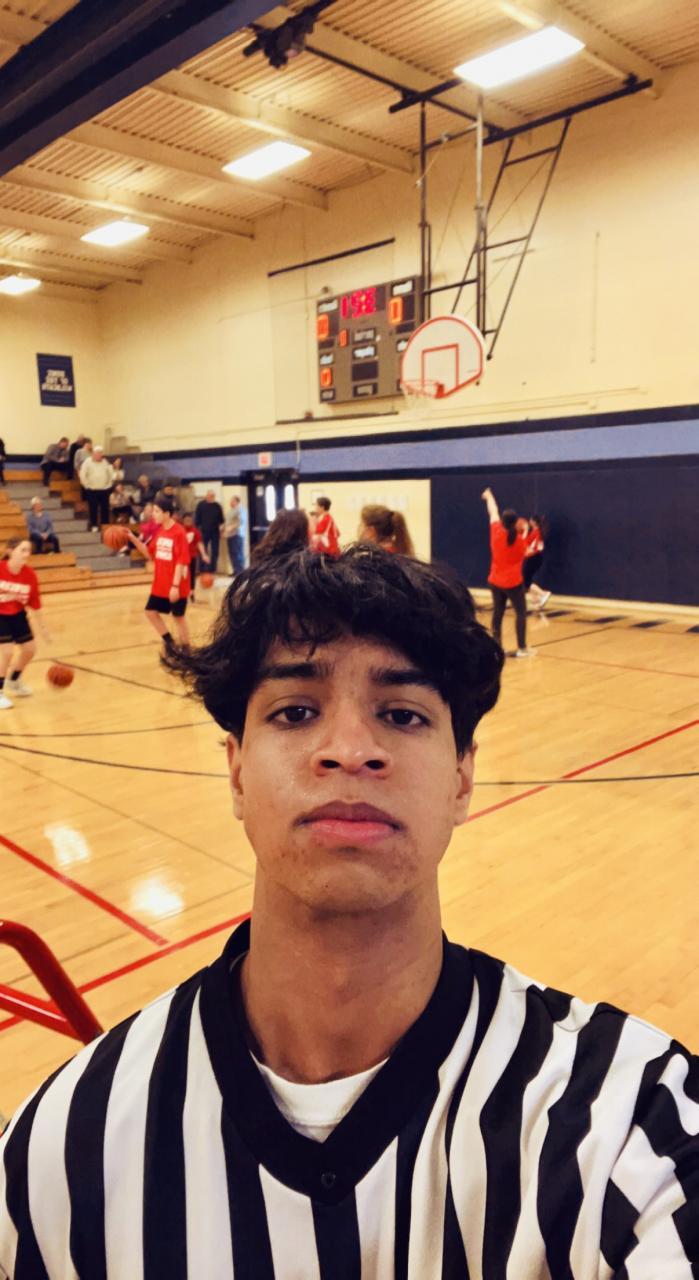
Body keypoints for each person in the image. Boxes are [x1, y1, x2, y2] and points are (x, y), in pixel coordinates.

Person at [2, 546, 697, 1276]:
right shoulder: (57, 1150)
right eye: (296, 711)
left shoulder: (631, 1123)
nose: (349, 750)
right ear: (236, 771)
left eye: (401, 714)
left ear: (462, 779)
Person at [128, 496, 191, 648]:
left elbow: (181, 561)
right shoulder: (160, 531)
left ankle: (186, 650)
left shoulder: (179, 532)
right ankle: (171, 643)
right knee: (150, 612)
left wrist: (175, 586)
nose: (153, 514)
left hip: (176, 584)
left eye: (157, 511)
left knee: (178, 617)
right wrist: (133, 538)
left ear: (167, 514)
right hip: (161, 584)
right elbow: (150, 554)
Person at [481, 486, 532, 658]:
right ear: (516, 523)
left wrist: (489, 496)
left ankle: (497, 649)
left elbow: (493, 511)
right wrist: (525, 531)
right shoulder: (519, 541)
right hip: (513, 583)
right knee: (521, 613)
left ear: (502, 521)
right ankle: (522, 648)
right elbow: (526, 552)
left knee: (497, 613)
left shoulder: (496, 531)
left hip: (495, 581)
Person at [0, 538, 50, 709]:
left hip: (17, 614)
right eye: (22, 550)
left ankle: (13, 681)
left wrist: (43, 628)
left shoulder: (29, 575)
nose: (26, 554)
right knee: (7, 652)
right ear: (10, 551)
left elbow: (35, 603)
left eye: (28, 550)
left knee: (30, 649)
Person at [79, 445, 118, 532]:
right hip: (92, 490)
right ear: (93, 454)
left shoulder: (105, 462)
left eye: (100, 454)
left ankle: (105, 525)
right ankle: (94, 525)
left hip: (104, 490)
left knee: (105, 509)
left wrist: (109, 484)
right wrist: (86, 486)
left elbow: (111, 473)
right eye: (97, 454)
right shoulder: (87, 462)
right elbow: (82, 474)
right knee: (93, 508)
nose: (99, 456)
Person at [523, 513, 552, 611]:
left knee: (526, 581)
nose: (529, 521)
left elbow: (525, 543)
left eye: (530, 520)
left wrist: (525, 531)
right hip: (537, 558)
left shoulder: (535, 533)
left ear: (533, 522)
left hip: (534, 558)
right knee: (528, 579)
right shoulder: (538, 531)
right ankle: (536, 601)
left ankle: (543, 594)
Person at [181, 510, 210, 601]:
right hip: (181, 558)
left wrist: (204, 555)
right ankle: (182, 593)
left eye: (190, 520)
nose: (188, 522)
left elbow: (199, 543)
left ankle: (191, 592)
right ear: (183, 521)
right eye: (186, 520)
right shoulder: (180, 530)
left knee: (192, 575)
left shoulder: (195, 531)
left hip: (192, 557)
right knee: (183, 576)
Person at [194, 489, 225, 575]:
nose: (211, 497)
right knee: (203, 550)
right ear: (206, 496)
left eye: (213, 496)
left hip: (215, 531)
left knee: (215, 551)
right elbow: (197, 519)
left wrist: (222, 531)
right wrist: (197, 531)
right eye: (209, 495)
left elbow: (221, 520)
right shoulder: (201, 505)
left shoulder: (217, 506)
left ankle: (213, 568)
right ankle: (202, 568)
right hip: (204, 531)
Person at [225, 494, 247, 576]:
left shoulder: (240, 510)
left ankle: (240, 572)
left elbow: (241, 522)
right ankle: (235, 570)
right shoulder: (230, 511)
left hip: (237, 535)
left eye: (233, 501)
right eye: (230, 500)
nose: (231, 502)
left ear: (237, 502)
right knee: (232, 553)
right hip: (229, 535)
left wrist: (232, 527)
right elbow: (227, 522)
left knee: (238, 553)